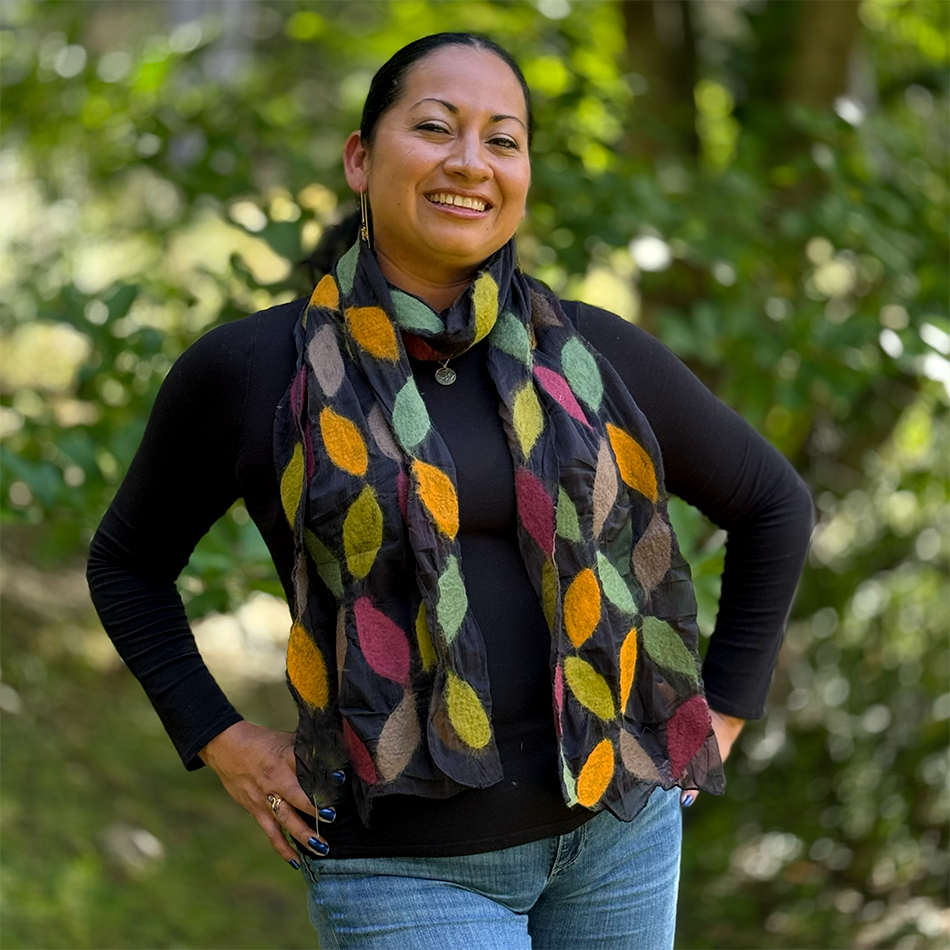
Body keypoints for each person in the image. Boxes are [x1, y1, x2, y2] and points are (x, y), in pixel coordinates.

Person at [87, 31, 813, 950]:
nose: (470, 162)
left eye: (502, 140)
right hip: (398, 869)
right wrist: (219, 736)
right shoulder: (252, 369)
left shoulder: (592, 356)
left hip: (617, 843)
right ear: (360, 158)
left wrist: (725, 712)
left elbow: (775, 506)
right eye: (436, 127)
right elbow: (127, 564)